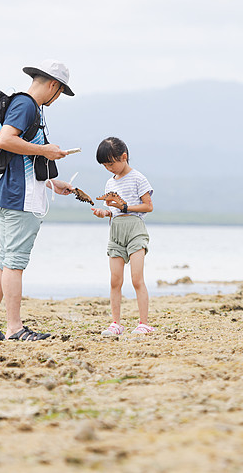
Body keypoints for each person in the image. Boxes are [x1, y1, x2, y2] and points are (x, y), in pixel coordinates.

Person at [0, 59, 75, 342]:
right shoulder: (27, 105)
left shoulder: (27, 107)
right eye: (60, 93)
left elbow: (25, 159)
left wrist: (53, 183)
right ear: (54, 85)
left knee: (4, 261)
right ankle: (15, 327)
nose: (57, 99)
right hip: (21, 198)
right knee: (15, 262)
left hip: (16, 192)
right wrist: (45, 150)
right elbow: (5, 140)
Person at [91, 137, 155, 336]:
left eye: (111, 163)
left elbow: (148, 206)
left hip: (135, 230)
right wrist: (105, 212)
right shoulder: (110, 182)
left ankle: (143, 323)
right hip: (116, 232)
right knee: (115, 280)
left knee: (137, 279)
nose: (109, 168)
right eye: (105, 165)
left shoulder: (138, 178)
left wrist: (125, 207)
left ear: (124, 157)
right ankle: (116, 323)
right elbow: (112, 210)